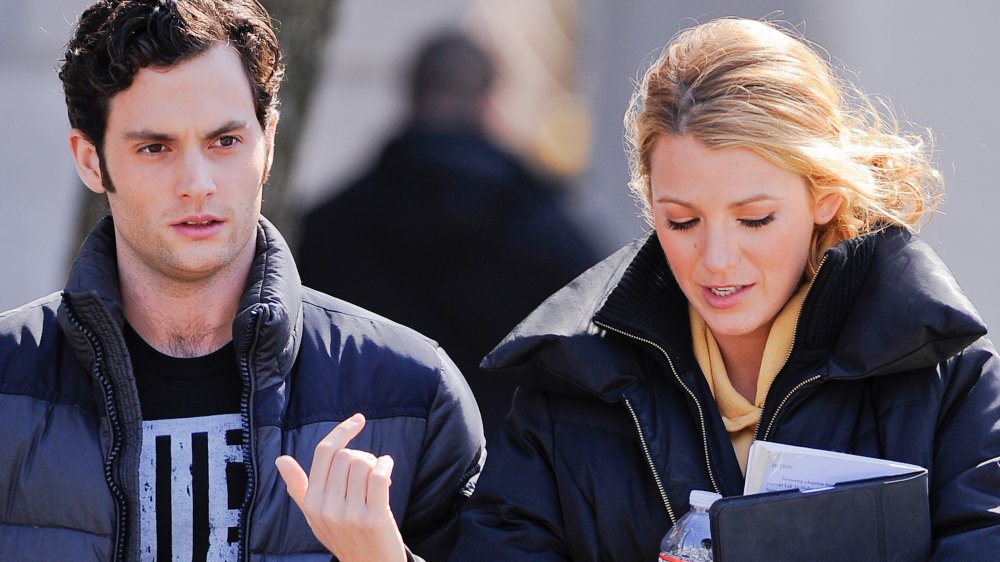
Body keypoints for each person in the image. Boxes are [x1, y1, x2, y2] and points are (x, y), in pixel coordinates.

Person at [450, 17, 1000, 560]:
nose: (715, 260)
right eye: (682, 222)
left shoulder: (951, 381)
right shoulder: (567, 386)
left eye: (755, 219)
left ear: (826, 195)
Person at [0, 1, 484, 561]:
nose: (197, 183)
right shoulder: (8, 386)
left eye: (224, 141)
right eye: (155, 148)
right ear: (91, 160)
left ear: (268, 140)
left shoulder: (412, 394)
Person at [297, 30, 598, 442]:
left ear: (410, 96)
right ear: (491, 99)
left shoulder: (328, 227)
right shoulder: (545, 229)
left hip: (371, 470)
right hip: (509, 470)